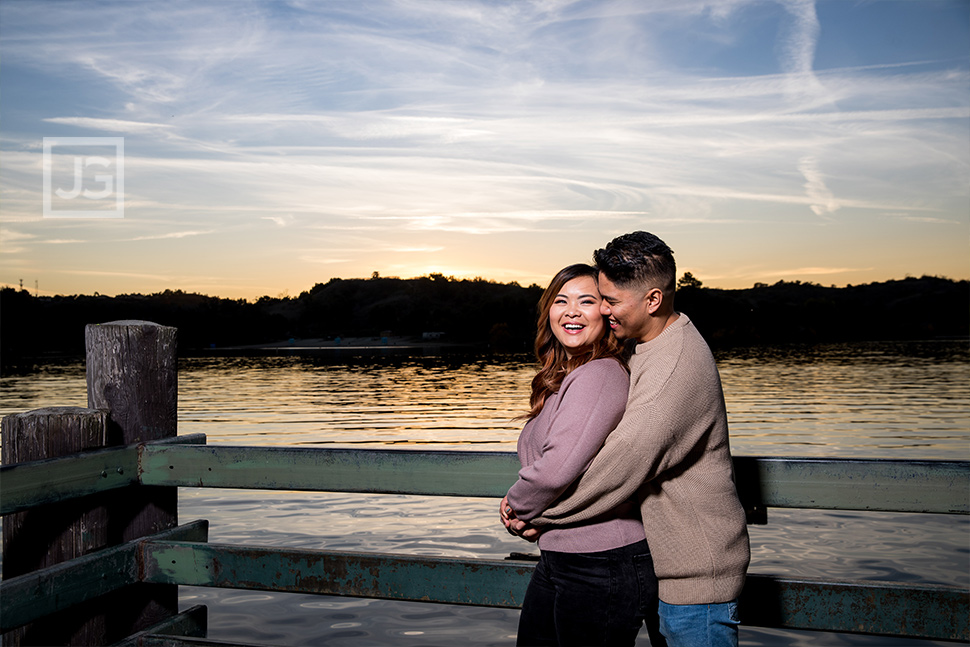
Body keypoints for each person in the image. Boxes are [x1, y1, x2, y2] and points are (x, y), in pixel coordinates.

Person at [506, 232, 750, 647]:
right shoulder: (645, 348)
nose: (601, 309)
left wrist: (535, 514)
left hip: (695, 570)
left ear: (652, 300)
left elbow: (620, 465)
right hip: (664, 560)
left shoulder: (670, 368)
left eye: (607, 301)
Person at [499, 263, 665, 647]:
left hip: (603, 559)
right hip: (563, 554)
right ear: (549, 313)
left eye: (586, 301)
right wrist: (534, 513)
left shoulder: (599, 374)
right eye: (561, 301)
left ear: (606, 313)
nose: (571, 311)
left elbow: (556, 470)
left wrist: (517, 505)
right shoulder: (565, 377)